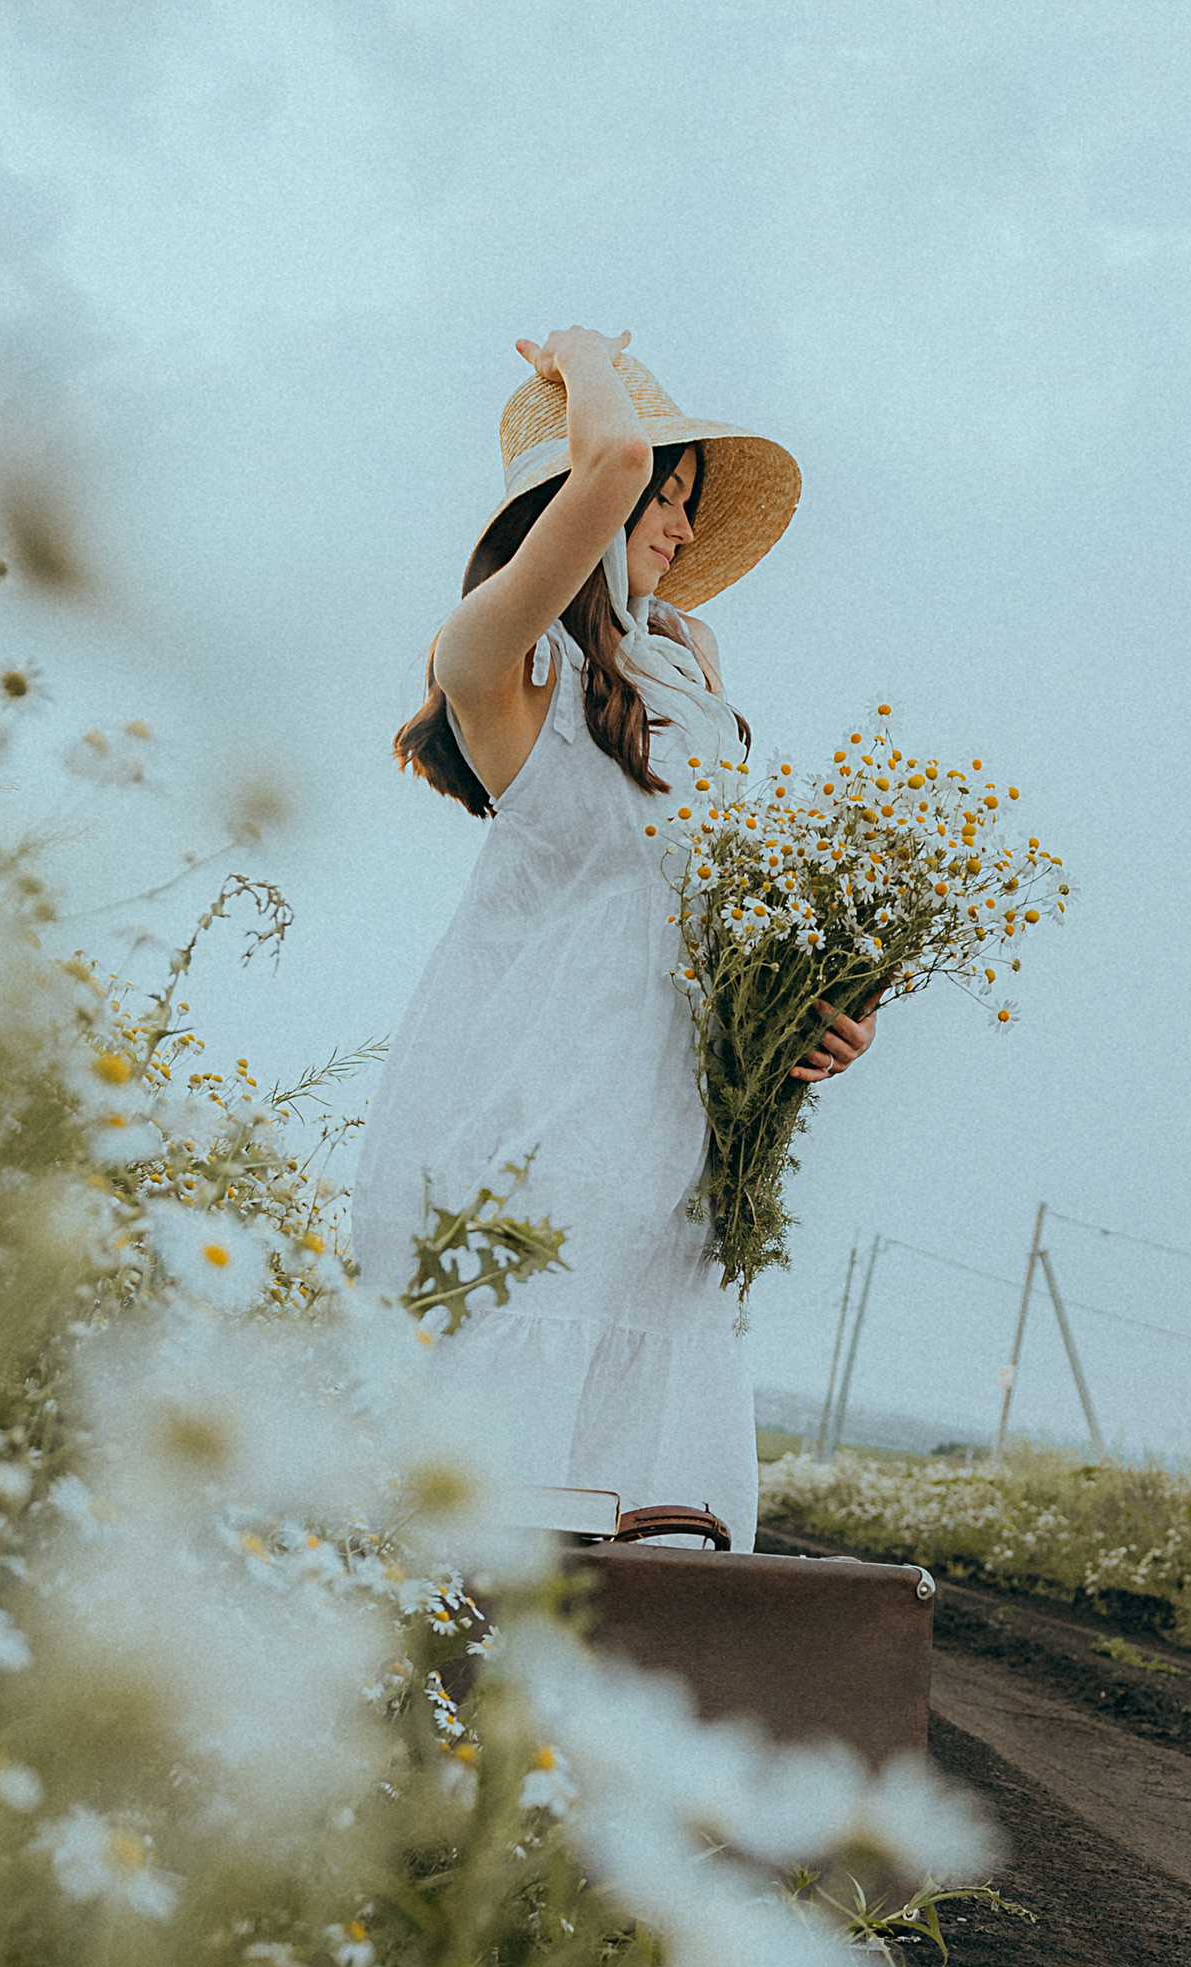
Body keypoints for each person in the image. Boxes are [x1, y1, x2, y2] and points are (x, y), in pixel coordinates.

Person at [353, 328, 873, 1553]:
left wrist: (819, 1018)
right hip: (534, 1165)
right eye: (665, 502)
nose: (681, 533)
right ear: (588, 492)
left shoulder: (682, 688)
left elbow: (716, 926)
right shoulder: (494, 667)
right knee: (488, 1563)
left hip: (675, 1190)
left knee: (653, 1587)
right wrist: (585, 358)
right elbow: (613, 458)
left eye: (688, 507)